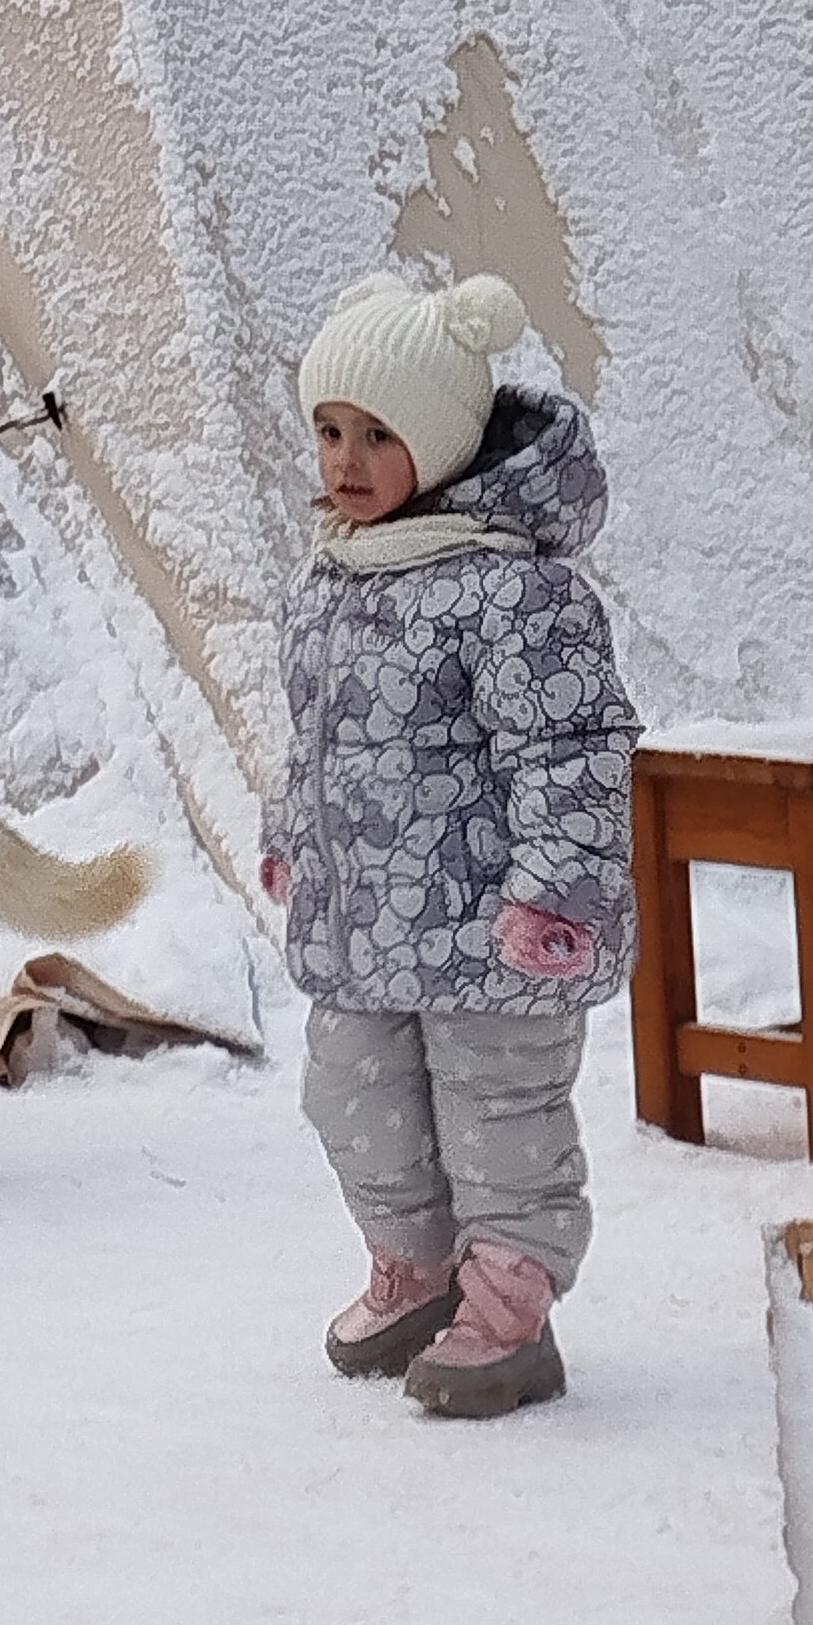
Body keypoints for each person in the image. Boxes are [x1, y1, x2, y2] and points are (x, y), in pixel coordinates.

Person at [258, 271, 639, 1419]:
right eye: (331, 430)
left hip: (491, 929)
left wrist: (555, 891)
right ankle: (420, 1271)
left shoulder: (512, 590)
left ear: (441, 440)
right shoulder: (331, 579)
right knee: (350, 1093)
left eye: (380, 434)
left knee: (496, 1115)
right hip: (366, 919)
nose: (348, 458)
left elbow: (571, 747)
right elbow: (315, 740)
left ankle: (512, 1305)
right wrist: (292, 835)